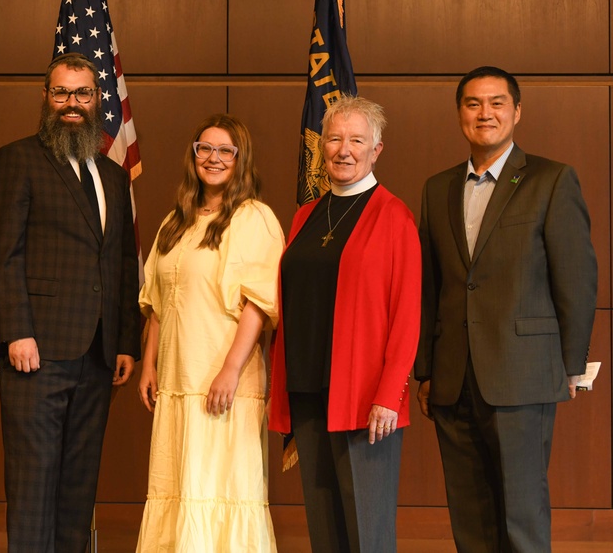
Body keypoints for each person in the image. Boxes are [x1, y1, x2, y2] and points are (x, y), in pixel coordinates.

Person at [415, 66, 597, 552]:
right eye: (473, 104)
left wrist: (572, 368)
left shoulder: (551, 179)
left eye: (497, 103)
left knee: (521, 512)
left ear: (517, 112)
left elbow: (576, 278)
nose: (485, 113)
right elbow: (430, 287)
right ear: (460, 114)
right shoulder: (438, 189)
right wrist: (426, 370)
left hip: (523, 374)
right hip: (454, 378)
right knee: (470, 516)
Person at [0, 52, 140, 552]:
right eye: (61, 93)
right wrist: (15, 331)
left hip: (96, 356)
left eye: (82, 94)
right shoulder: (18, 159)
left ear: (98, 101)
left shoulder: (113, 176)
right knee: (33, 488)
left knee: (77, 489)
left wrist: (125, 343)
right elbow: (1, 253)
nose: (72, 103)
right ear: (46, 99)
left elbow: (118, 264)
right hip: (37, 352)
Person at [268, 96, 421, 552]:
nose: (343, 149)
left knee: (367, 535)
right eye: (334, 138)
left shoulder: (394, 217)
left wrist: (389, 395)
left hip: (364, 401)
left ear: (376, 150)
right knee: (325, 531)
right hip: (307, 391)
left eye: (356, 139)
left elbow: (407, 314)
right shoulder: (305, 215)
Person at [135, 114, 284, 551]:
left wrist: (231, 370)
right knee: (179, 486)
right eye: (205, 148)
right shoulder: (174, 222)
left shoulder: (254, 218)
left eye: (225, 151)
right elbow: (159, 302)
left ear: (241, 160)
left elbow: (260, 303)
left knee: (223, 490)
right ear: (193, 155)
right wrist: (149, 364)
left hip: (226, 382)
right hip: (179, 384)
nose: (213, 158)